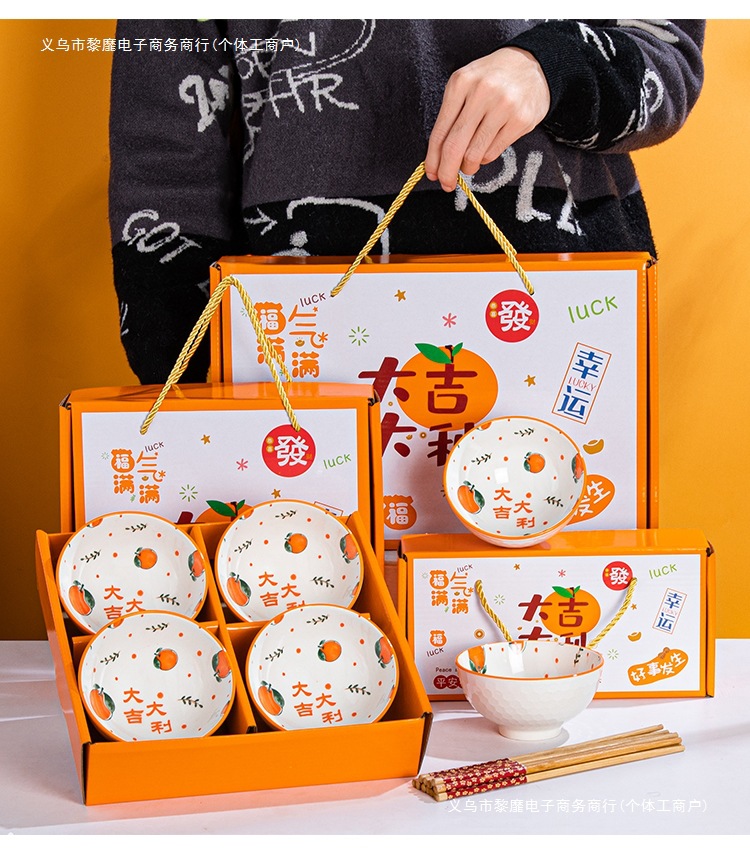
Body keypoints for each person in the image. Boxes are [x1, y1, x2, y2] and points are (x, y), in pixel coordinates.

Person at [108, 19, 705, 384]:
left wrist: (552, 66)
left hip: (554, 292)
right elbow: (165, 140)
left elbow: (668, 53)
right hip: (294, 318)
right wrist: (180, 362)